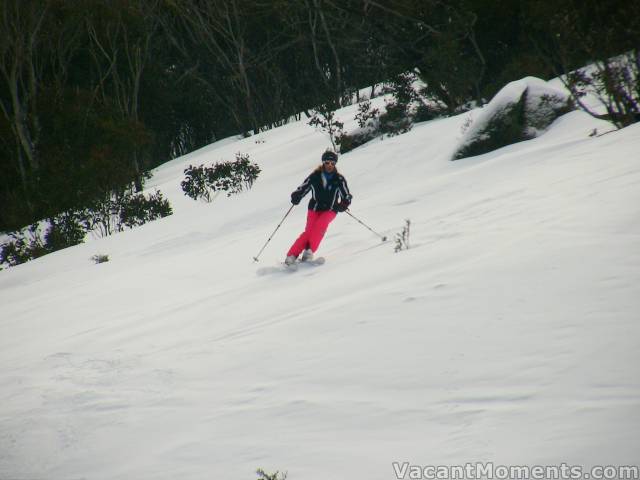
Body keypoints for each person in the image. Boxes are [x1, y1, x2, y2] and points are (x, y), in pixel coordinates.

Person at [285, 150, 352, 265]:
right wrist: (297, 196)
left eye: (332, 163)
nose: (330, 165)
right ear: (323, 163)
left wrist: (344, 203)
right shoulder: (315, 176)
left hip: (330, 209)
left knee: (321, 225)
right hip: (314, 208)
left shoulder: (339, 179)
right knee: (309, 232)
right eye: (327, 162)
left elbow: (346, 195)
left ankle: (309, 252)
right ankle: (291, 255)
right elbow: (303, 187)